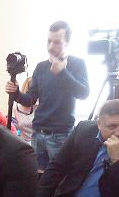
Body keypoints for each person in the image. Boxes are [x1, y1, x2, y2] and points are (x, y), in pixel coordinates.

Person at [5, 20, 90, 171]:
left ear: (67, 42)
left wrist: (62, 72)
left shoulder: (77, 64)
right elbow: (30, 99)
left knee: (59, 179)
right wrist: (16, 92)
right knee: (37, 178)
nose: (51, 47)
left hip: (61, 135)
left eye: (57, 42)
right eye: (49, 41)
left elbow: (83, 93)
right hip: (38, 134)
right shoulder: (41, 67)